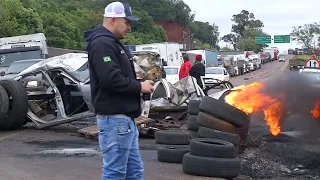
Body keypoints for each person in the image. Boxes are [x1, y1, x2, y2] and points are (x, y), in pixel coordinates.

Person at [85, 1, 154, 180]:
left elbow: (114, 76)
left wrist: (137, 81)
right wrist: (140, 86)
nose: (129, 27)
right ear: (113, 19)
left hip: (124, 121)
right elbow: (110, 79)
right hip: (115, 121)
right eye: (127, 22)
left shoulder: (112, 43)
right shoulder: (102, 44)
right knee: (115, 173)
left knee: (134, 173)